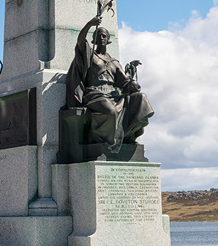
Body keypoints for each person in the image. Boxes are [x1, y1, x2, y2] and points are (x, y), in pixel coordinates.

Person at [65, 16, 154, 153]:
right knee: (110, 111)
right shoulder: (90, 55)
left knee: (141, 99)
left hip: (114, 95)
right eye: (98, 35)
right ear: (94, 40)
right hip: (95, 94)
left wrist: (132, 83)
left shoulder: (114, 62)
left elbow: (125, 82)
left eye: (104, 36)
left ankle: (127, 134)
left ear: (108, 39)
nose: (101, 38)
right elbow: (80, 42)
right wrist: (89, 24)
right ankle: (106, 143)